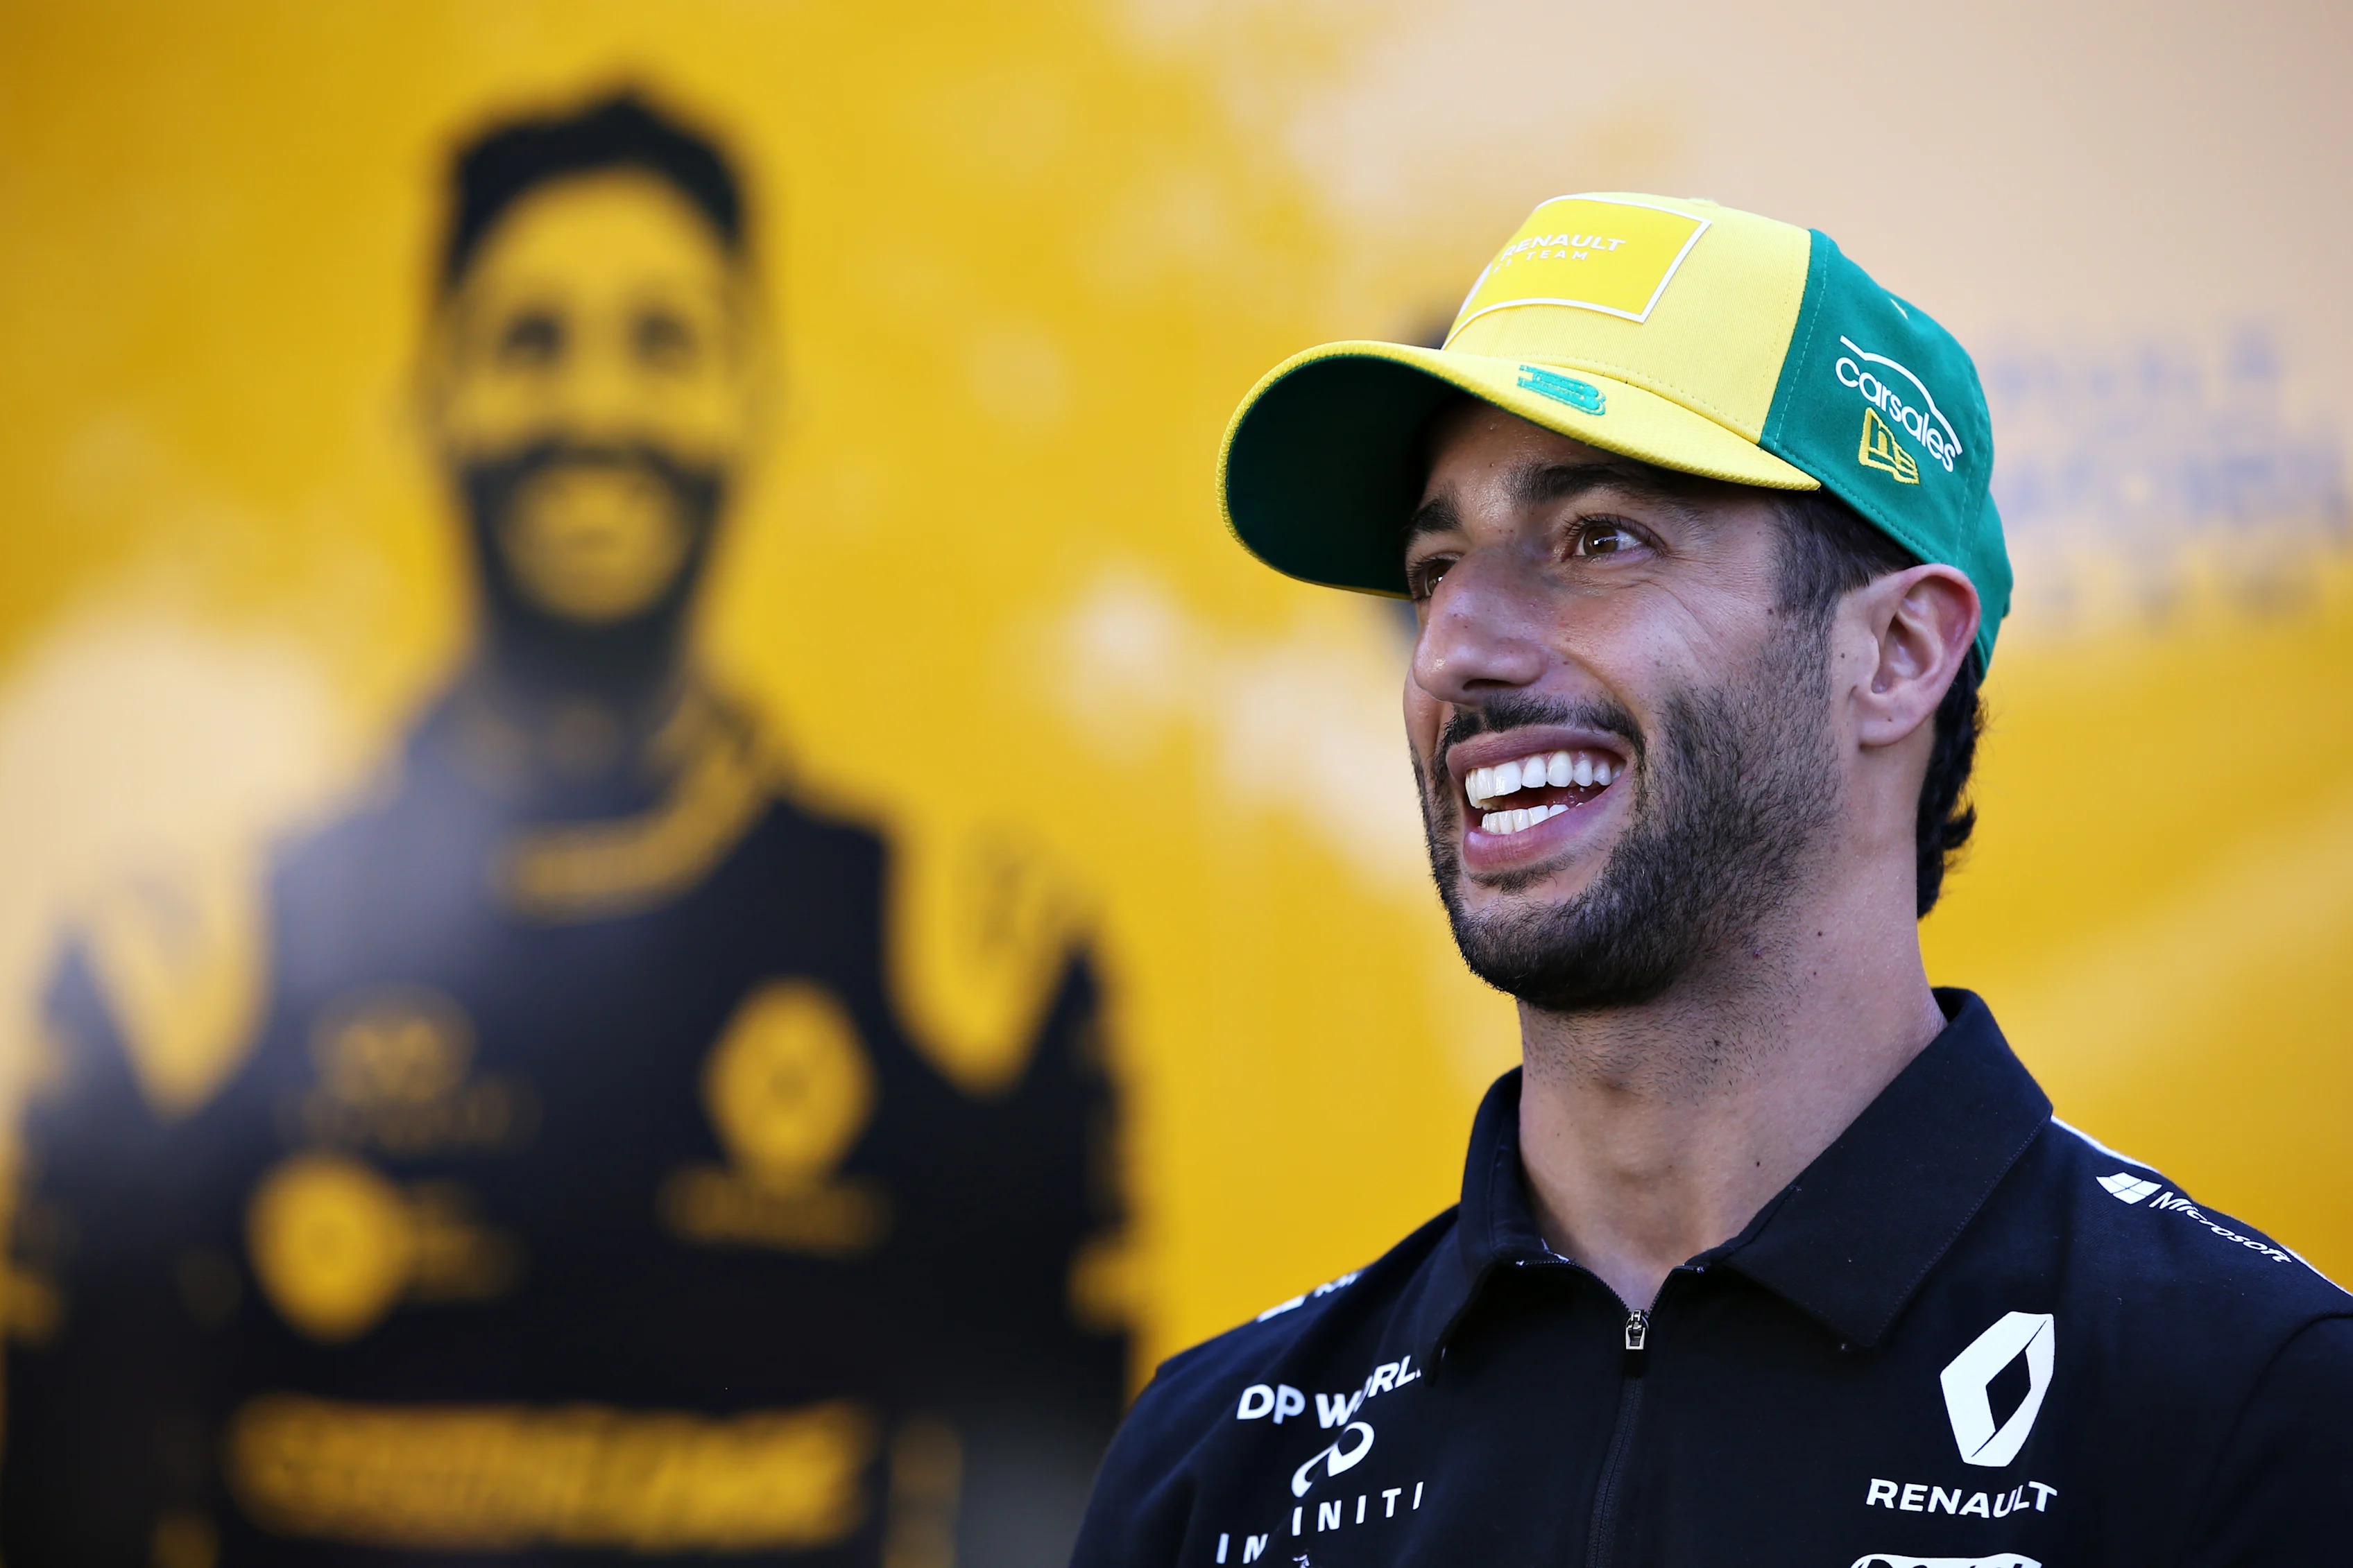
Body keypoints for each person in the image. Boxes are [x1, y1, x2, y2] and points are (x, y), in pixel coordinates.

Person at [1071, 193, 2353, 1565]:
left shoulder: (2251, 1405)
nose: (1452, 650)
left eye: (1598, 537)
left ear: (1901, 650)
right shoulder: (1218, 1463)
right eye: (1432, 566)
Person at [6, 92, 1129, 1568]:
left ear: (755, 396)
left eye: (663, 342)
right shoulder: (187, 975)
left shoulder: (961, 974)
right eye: (529, 341)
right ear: (431, 397)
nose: (595, 409)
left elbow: (1059, 1528)